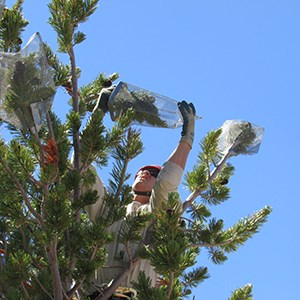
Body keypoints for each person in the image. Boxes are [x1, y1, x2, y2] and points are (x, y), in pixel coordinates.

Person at [84, 97, 196, 299]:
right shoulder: (108, 211)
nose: (144, 173)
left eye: (152, 174)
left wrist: (186, 138)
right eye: (139, 173)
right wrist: (98, 113)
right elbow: (82, 170)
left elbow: (166, 185)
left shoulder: (157, 214)